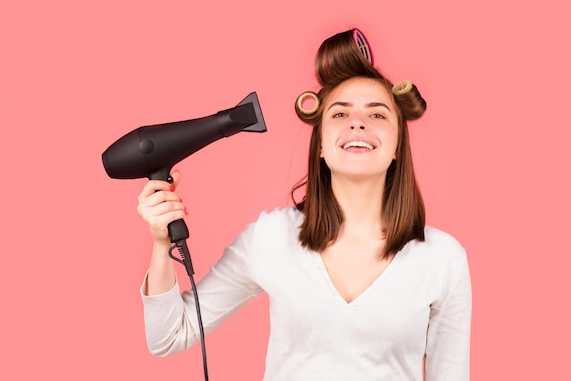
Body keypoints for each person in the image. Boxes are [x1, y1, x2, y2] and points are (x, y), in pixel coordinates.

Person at [136, 28, 472, 381]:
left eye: (377, 115)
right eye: (340, 114)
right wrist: (162, 247)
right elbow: (169, 336)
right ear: (322, 145)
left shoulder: (442, 258)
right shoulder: (270, 237)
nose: (358, 122)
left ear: (398, 146)